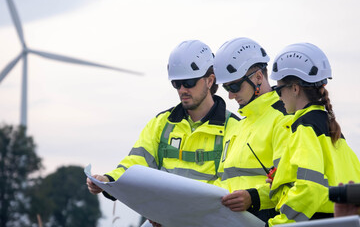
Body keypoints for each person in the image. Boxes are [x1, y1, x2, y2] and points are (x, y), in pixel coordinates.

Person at [86, 40, 240, 225]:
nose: (182, 90)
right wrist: (109, 181)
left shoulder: (234, 128)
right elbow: (136, 164)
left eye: (189, 82)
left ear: (210, 80)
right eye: (176, 83)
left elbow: (230, 187)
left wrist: (177, 215)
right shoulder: (161, 124)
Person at [267, 42, 360, 226]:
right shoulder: (332, 129)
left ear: (295, 88)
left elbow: (309, 188)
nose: (278, 97)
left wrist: (278, 223)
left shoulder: (304, 128)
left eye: (279, 89)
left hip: (315, 222)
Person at [212, 37, 291, 222]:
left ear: (258, 77)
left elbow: (292, 184)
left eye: (234, 86)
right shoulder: (237, 128)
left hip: (265, 219)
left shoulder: (284, 118)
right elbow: (222, 182)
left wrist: (253, 198)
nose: (230, 95)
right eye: (226, 88)